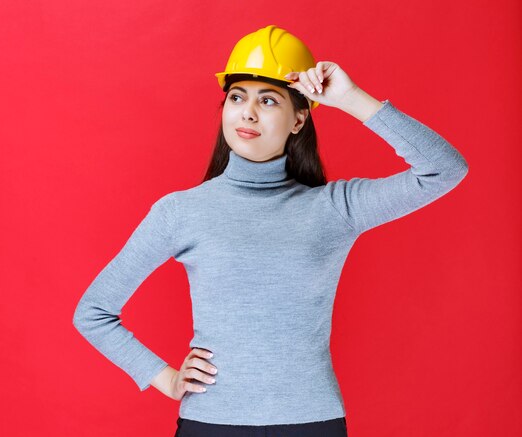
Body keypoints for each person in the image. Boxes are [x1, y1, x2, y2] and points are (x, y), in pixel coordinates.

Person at [72, 25, 469, 437]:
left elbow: (444, 170)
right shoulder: (181, 211)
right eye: (237, 97)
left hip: (311, 422)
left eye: (268, 100)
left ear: (300, 119)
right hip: (212, 423)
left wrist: (350, 99)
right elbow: (93, 312)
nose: (248, 112)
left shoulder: (334, 208)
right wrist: (166, 379)